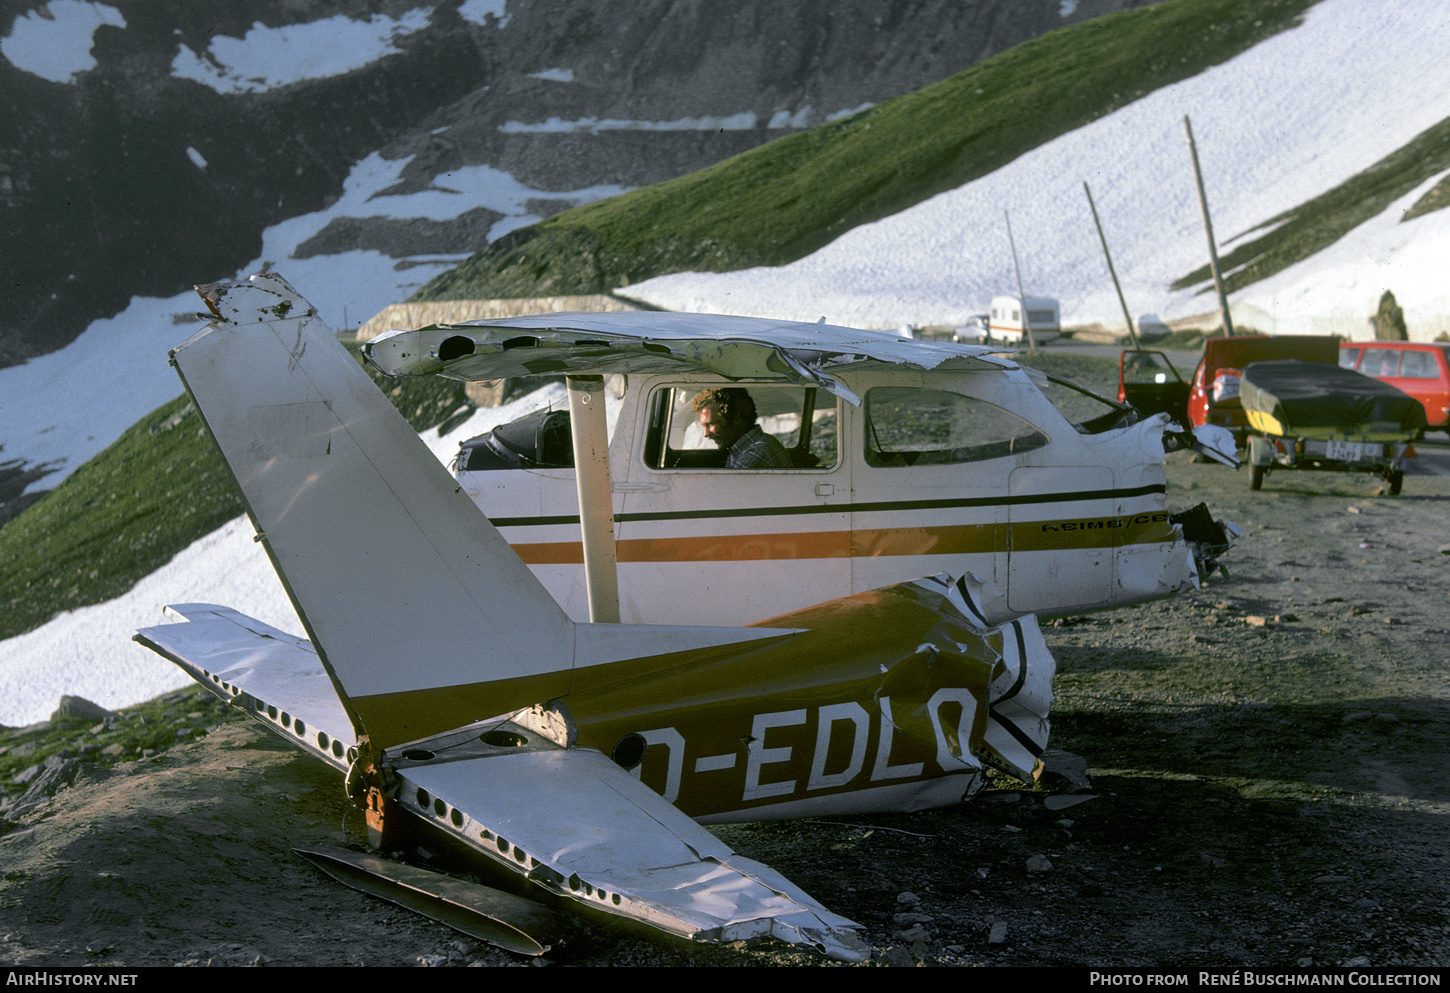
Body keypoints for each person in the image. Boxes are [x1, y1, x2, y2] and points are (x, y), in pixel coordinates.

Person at [691, 388, 793, 469]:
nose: (706, 433)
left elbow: (728, 493)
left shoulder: (756, 452)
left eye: (711, 424)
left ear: (736, 418)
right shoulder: (742, 449)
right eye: (704, 426)